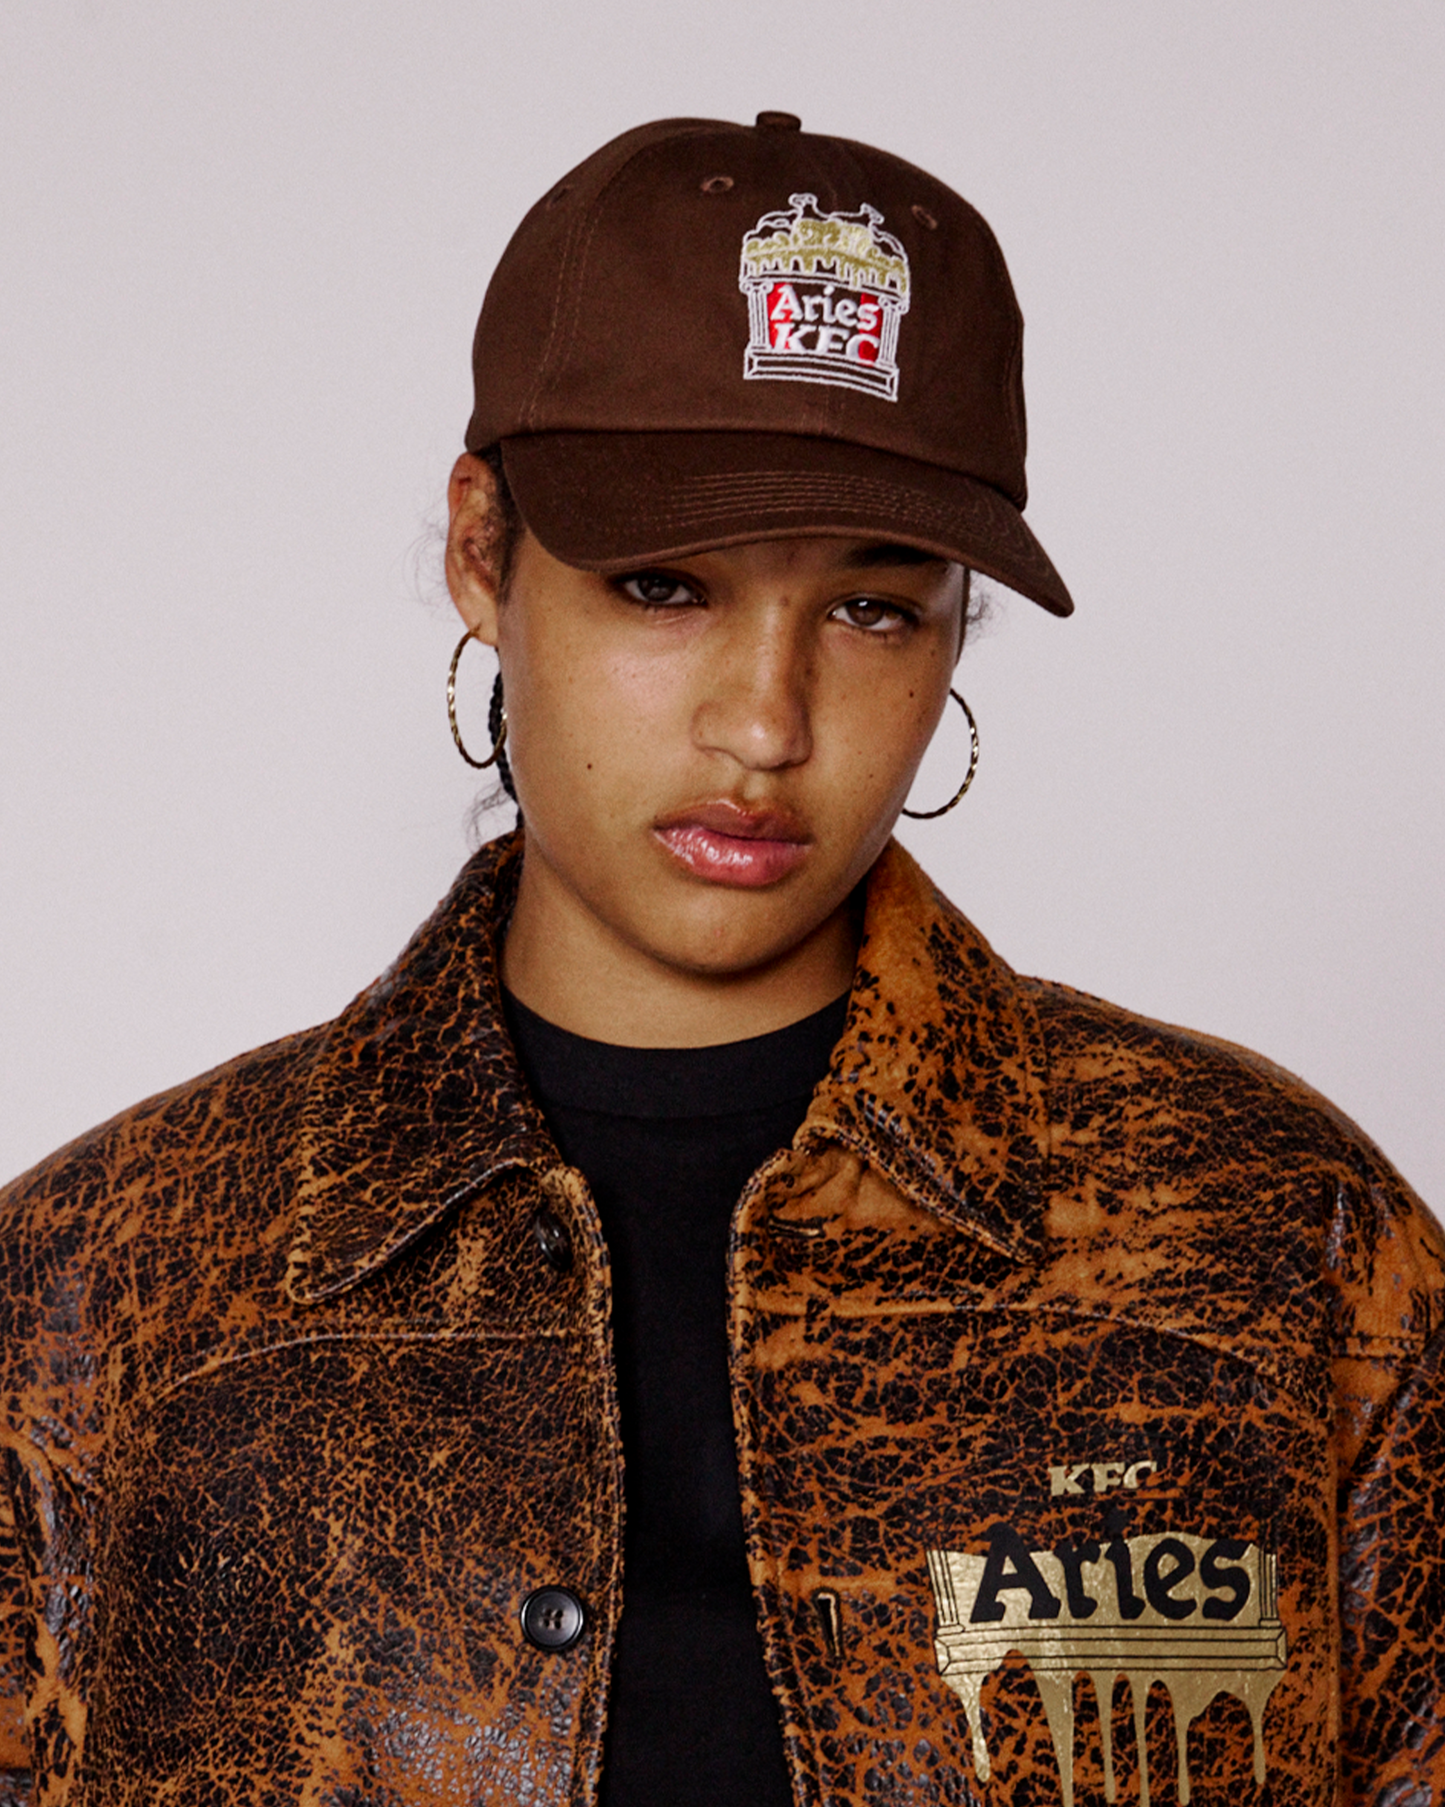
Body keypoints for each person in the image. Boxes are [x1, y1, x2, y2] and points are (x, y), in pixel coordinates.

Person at [0, 110, 1440, 1807]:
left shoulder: (1279, 1242)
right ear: (482, 552)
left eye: (874, 608)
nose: (767, 723)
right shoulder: (98, 1293)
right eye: (664, 586)